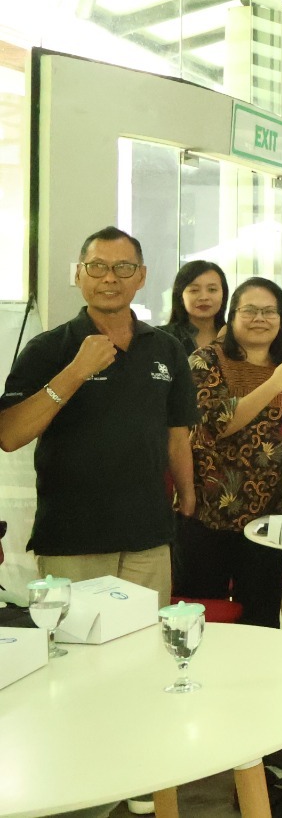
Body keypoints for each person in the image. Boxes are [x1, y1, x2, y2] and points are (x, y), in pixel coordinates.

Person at [0, 227, 197, 608]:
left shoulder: (167, 349)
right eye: (97, 267)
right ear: (79, 275)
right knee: (75, 643)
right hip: (72, 537)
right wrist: (76, 372)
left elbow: (177, 433)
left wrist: (187, 495)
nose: (110, 278)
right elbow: (9, 435)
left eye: (123, 267)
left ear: (141, 276)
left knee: (145, 639)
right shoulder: (48, 349)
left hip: (148, 536)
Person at [177, 277, 282, 629]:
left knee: (261, 620)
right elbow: (214, 424)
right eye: (249, 310)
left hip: (267, 517)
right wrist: (274, 384)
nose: (260, 318)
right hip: (208, 512)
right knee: (202, 620)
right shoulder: (206, 360)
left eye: (270, 311)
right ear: (232, 315)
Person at [161, 260, 229, 354]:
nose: (204, 297)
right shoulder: (162, 337)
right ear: (180, 296)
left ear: (223, 295)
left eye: (212, 289)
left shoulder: (235, 338)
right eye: (194, 290)